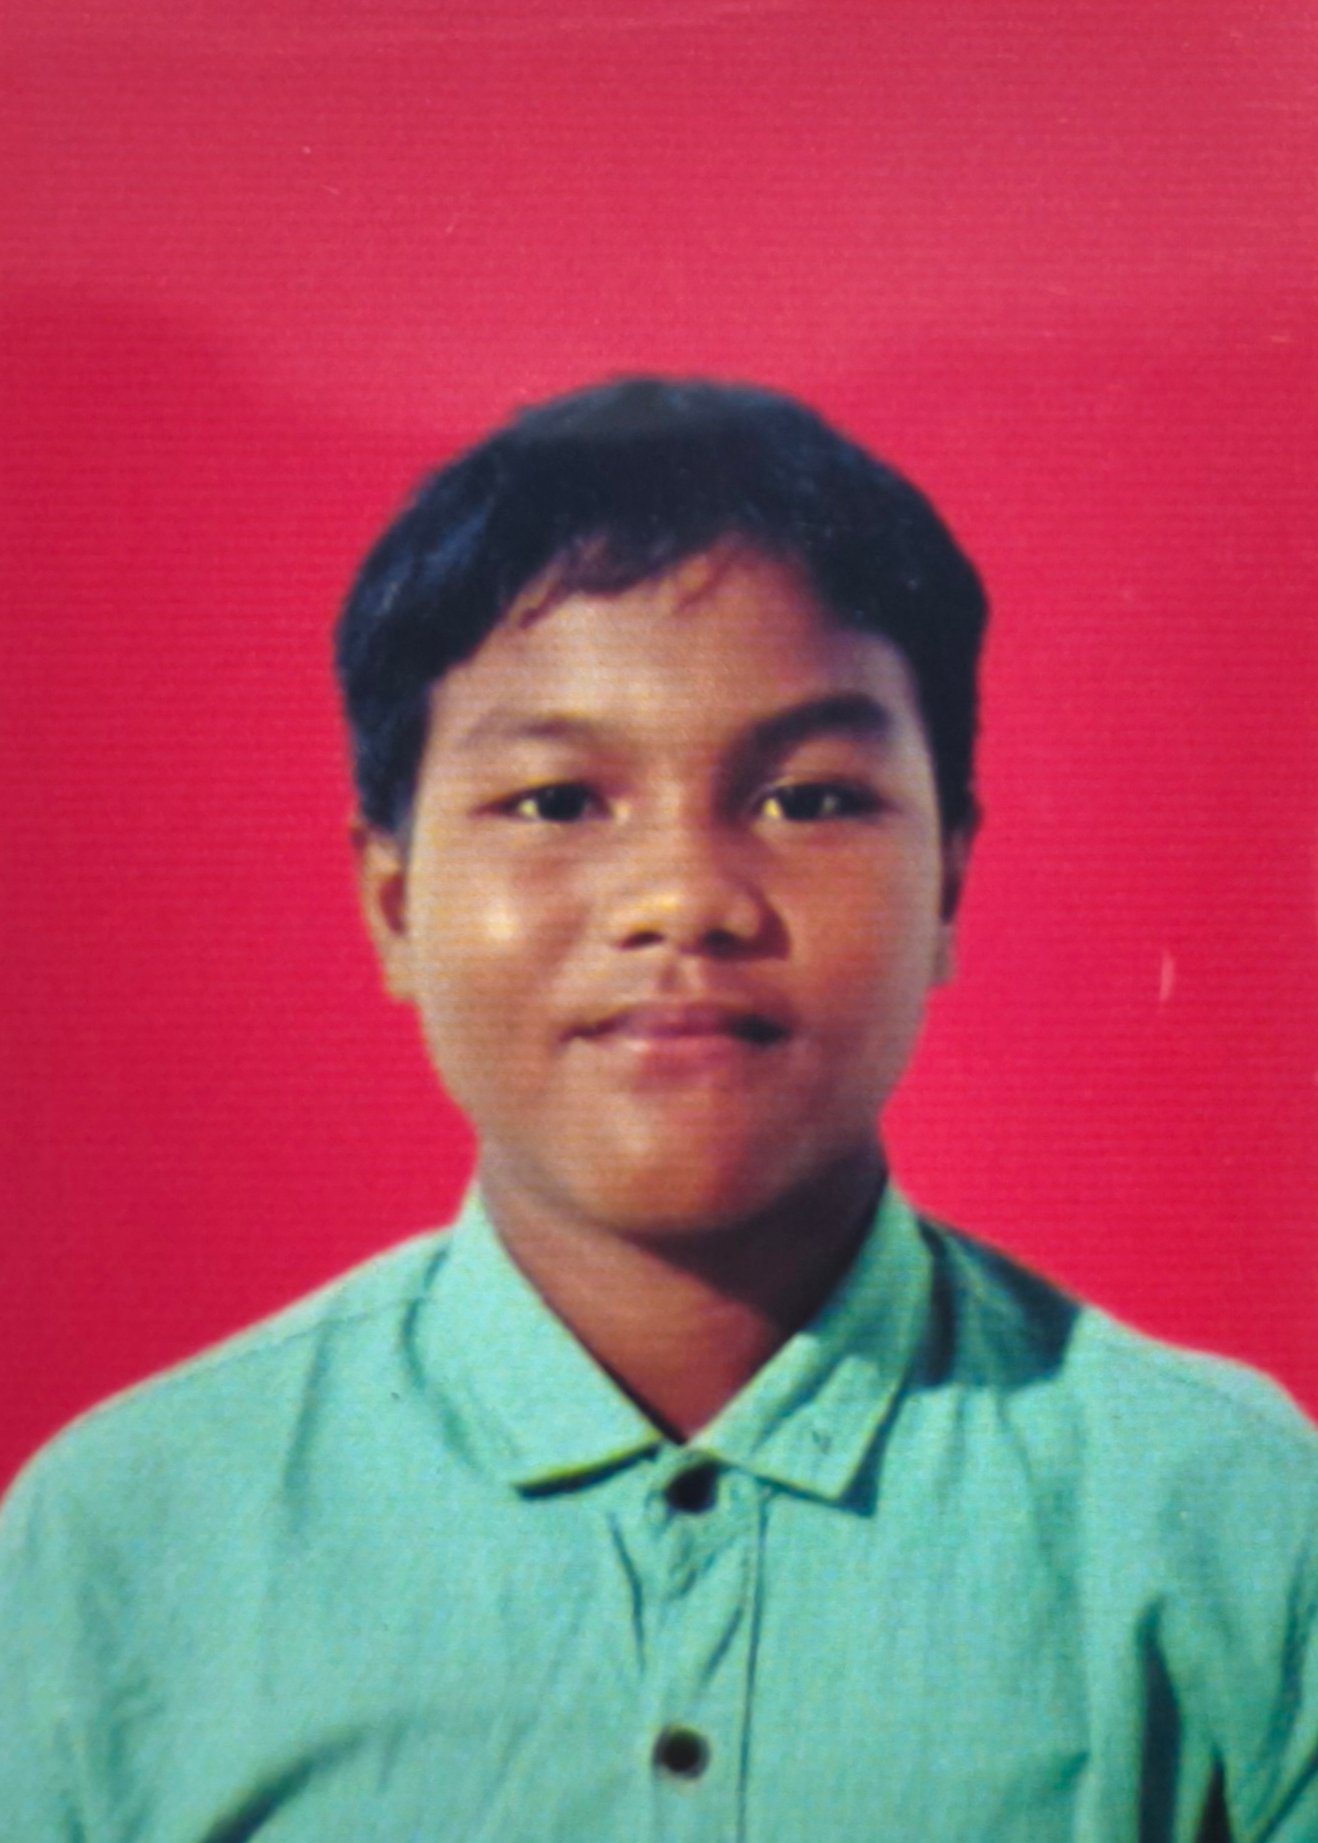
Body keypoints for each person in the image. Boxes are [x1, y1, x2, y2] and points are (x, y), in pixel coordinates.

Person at [2, 378, 1314, 1841]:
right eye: (558, 802)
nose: (684, 898)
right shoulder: (122, 1540)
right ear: (394, 902)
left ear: (946, 878)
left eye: (807, 798)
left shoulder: (1231, 1518)